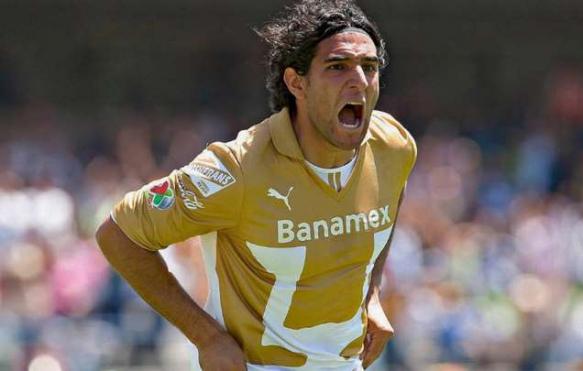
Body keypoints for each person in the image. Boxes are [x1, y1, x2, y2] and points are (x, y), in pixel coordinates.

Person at [95, 0, 417, 370]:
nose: (359, 81)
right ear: (297, 82)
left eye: (369, 67)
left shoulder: (393, 144)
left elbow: (392, 193)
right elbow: (118, 234)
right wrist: (207, 337)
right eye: (337, 66)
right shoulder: (235, 168)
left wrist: (371, 293)